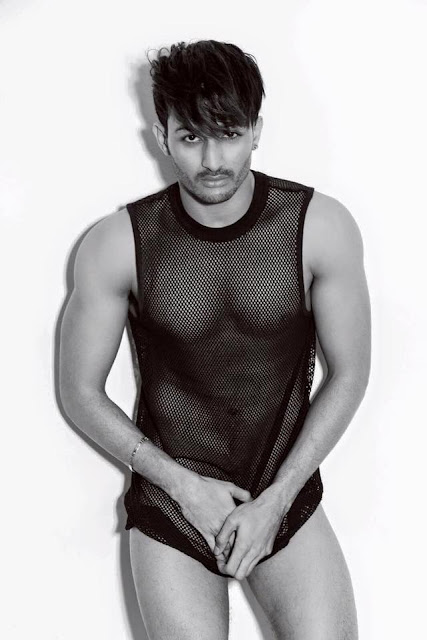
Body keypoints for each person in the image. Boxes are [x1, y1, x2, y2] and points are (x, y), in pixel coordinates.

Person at [59, 39, 371, 640]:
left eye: (228, 134)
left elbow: (351, 371)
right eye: (191, 137)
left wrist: (277, 499)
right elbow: (80, 391)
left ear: (256, 131)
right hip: (172, 498)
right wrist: (182, 486)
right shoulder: (117, 244)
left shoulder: (319, 227)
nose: (211, 160)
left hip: (282, 486)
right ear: (161, 136)